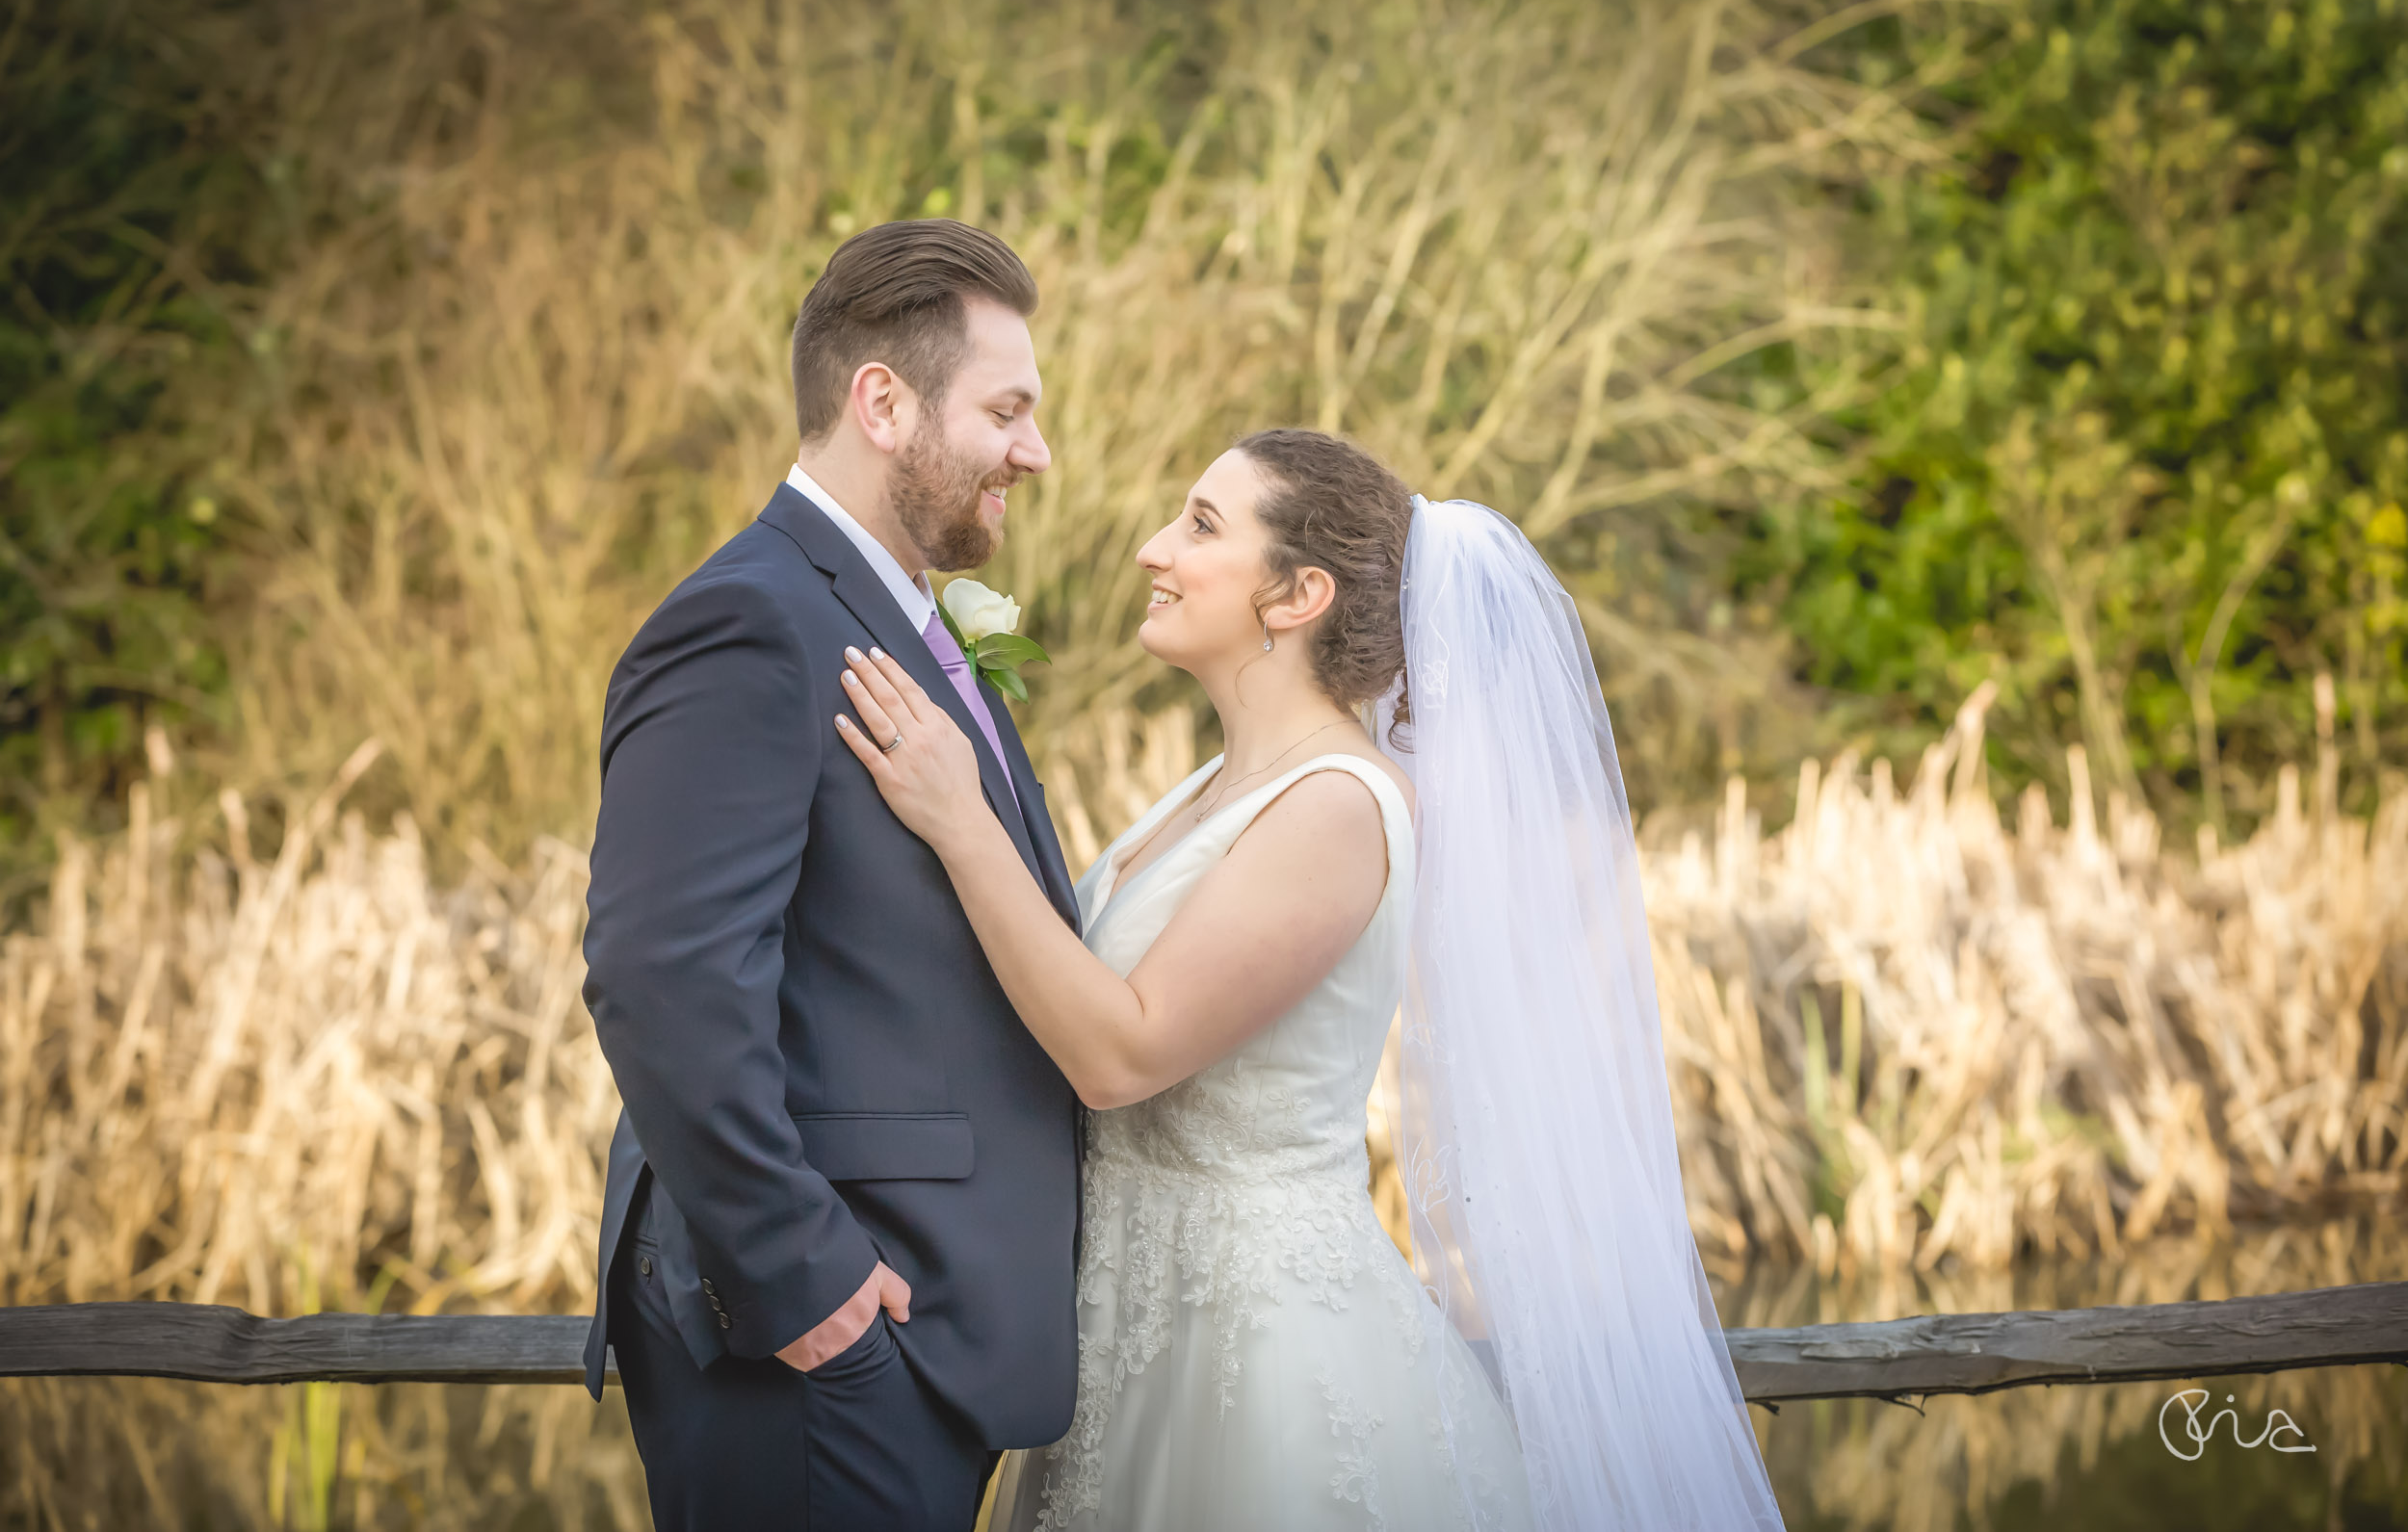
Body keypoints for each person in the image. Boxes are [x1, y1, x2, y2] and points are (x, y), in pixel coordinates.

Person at [835, 429, 1788, 1530]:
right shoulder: (1212, 785)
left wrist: (962, 822)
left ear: (1298, 594)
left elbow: (1119, 1053)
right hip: (1129, 1335)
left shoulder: (1341, 803)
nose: (1153, 548)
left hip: (1261, 1357)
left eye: (1200, 525)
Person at [579, 219, 1082, 1531]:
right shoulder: (751, 617)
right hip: (827, 1347)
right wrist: (802, 1278)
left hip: (925, 1333)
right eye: (1008, 409)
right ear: (882, 402)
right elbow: (663, 969)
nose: (1036, 450)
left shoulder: (887, 614)